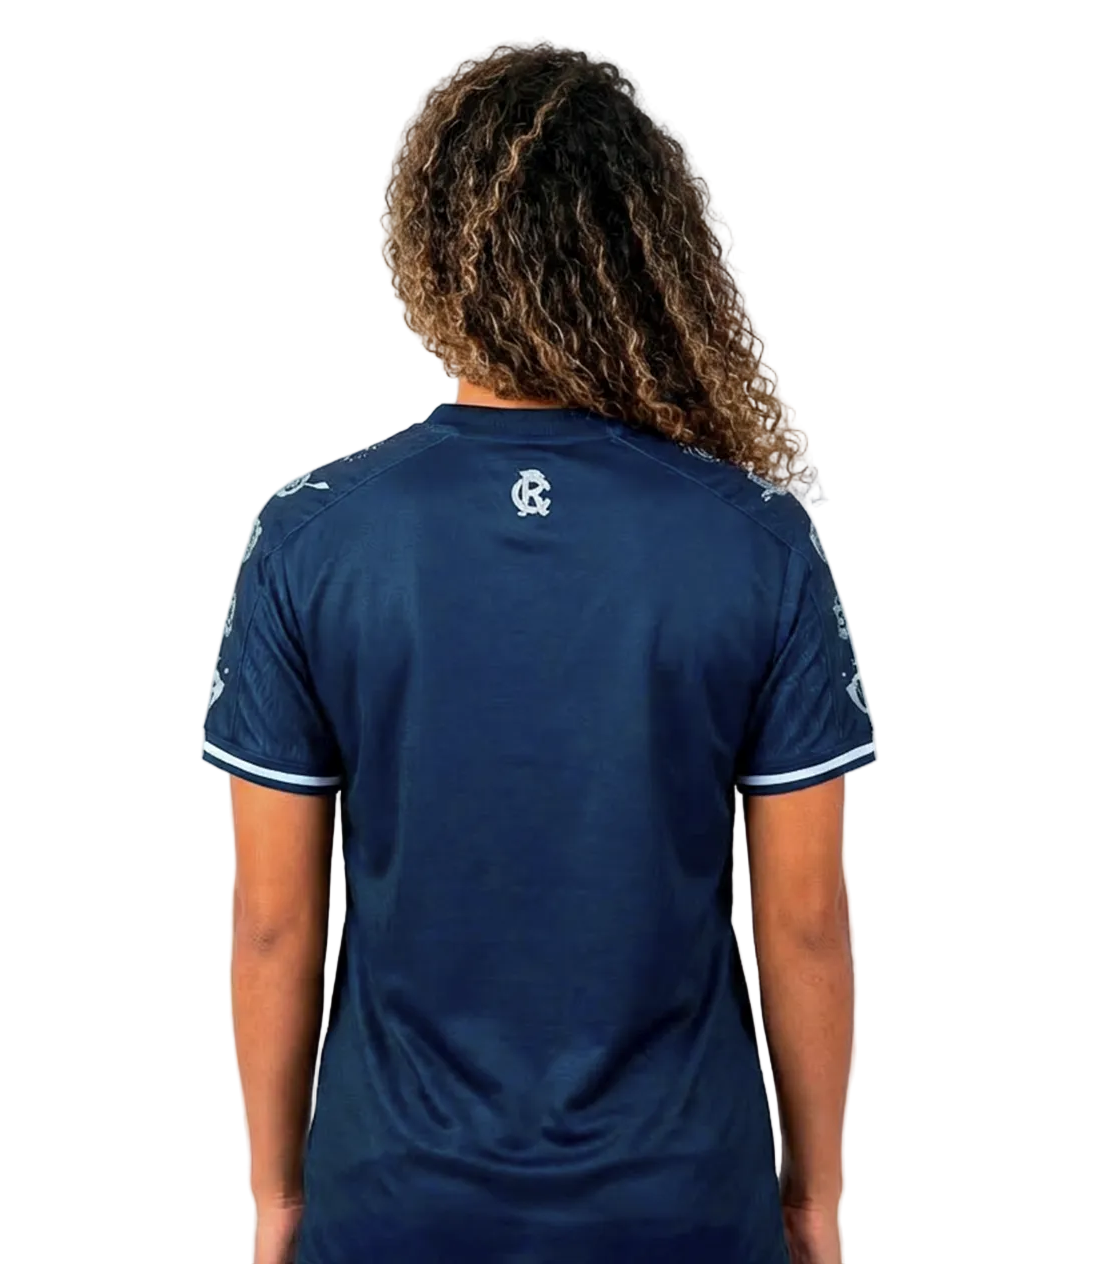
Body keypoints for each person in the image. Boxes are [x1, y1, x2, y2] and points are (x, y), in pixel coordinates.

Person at [212, 35, 872, 1264]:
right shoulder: (758, 541)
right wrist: (816, 1201)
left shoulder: (308, 534)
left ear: (424, 248)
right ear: (647, 245)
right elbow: (803, 921)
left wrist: (274, 1198)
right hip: (681, 1204)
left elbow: (270, 920)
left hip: (394, 1202)